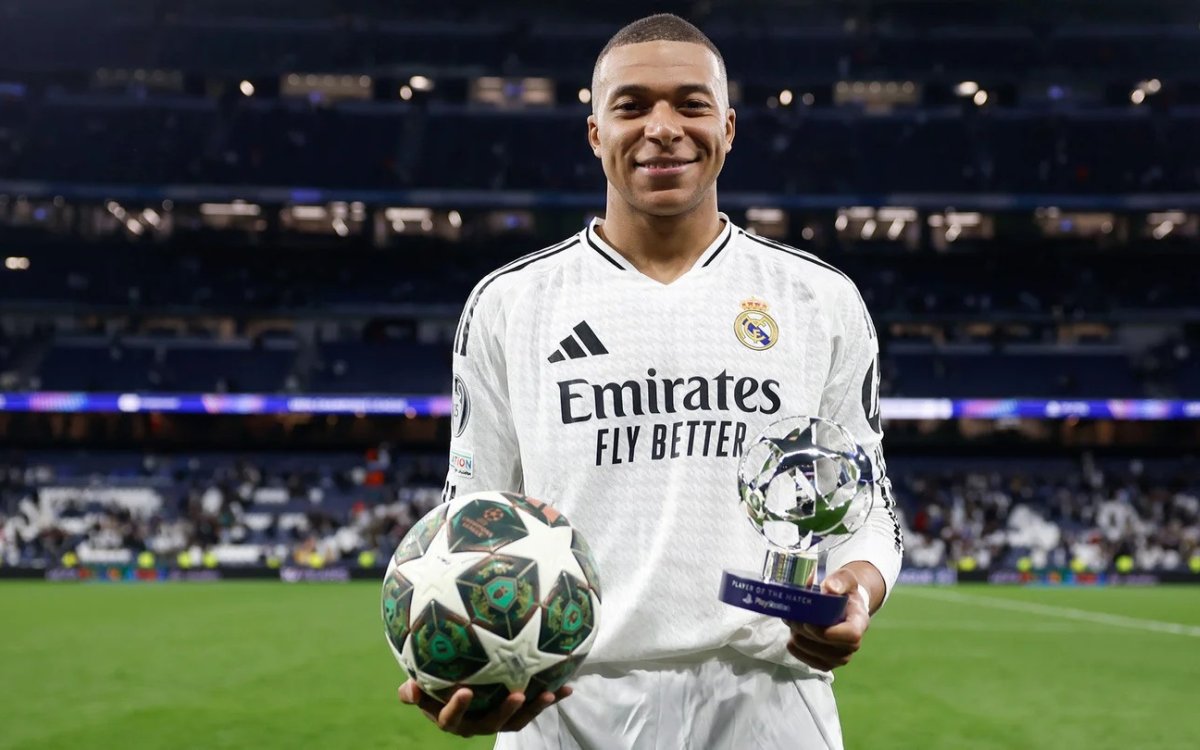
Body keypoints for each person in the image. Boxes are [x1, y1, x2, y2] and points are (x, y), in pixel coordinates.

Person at [400, 13, 903, 749]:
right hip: (565, 704)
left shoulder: (819, 300)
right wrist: (465, 667)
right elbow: (473, 513)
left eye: (691, 105)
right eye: (632, 106)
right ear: (595, 133)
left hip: (767, 702)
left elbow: (869, 508)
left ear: (728, 127)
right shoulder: (510, 303)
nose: (663, 128)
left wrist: (855, 588)